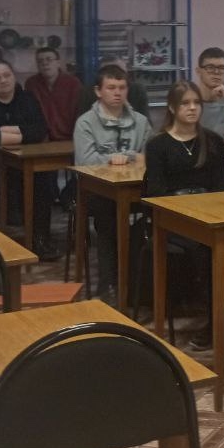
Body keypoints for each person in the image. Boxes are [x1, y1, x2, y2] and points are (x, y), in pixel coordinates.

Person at [144, 81, 224, 349]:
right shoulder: (158, 145)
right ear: (172, 108)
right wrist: (189, 210)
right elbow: (156, 192)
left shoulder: (212, 141)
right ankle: (218, 317)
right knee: (205, 247)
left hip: (210, 214)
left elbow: (222, 186)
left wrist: (209, 210)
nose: (192, 108)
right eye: (185, 103)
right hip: (173, 218)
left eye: (196, 103)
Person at [73, 63, 152, 300]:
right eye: (111, 87)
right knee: (108, 217)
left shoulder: (141, 121)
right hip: (98, 191)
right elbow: (85, 161)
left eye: (122, 87)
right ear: (98, 91)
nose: (117, 92)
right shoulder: (85, 122)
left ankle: (140, 285)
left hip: (135, 189)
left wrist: (129, 157)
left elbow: (149, 157)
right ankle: (108, 283)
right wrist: (119, 158)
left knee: (156, 214)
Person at [0, 58, 57, 260]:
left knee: (43, 181)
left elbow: (40, 130)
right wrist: (22, 132)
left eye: (7, 75)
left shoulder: (27, 99)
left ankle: (40, 239)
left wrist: (5, 132)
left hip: (25, 162)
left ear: (14, 77)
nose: (3, 81)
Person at [24, 47, 82, 141]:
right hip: (41, 139)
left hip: (69, 137)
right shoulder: (31, 84)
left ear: (58, 63)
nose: (45, 63)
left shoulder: (73, 83)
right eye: (40, 61)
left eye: (49, 59)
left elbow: (79, 113)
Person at [194, 46, 224, 139]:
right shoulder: (191, 105)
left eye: (222, 68)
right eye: (210, 67)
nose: (216, 72)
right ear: (198, 71)